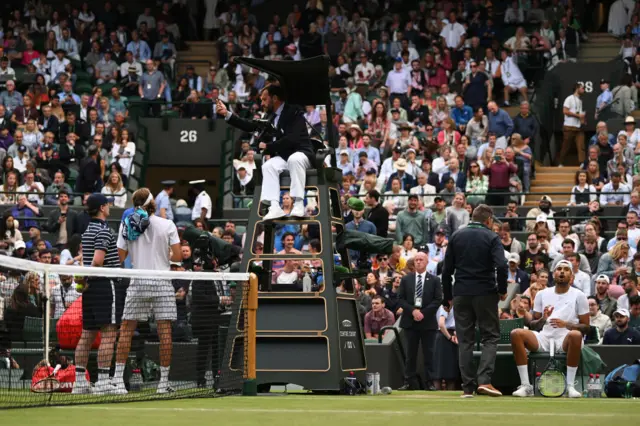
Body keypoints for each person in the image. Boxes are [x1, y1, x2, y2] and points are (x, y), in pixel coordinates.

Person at [112, 188, 182, 394]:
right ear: (153, 203)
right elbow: (177, 257)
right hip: (162, 283)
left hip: (138, 281)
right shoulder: (168, 224)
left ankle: (117, 381)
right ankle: (163, 383)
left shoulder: (126, 224)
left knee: (126, 330)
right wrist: (162, 253)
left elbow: (120, 256)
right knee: (165, 332)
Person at [216, 85, 314, 220]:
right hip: (285, 156)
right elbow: (251, 125)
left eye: (264, 99)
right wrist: (227, 114)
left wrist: (269, 146)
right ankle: (274, 207)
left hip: (302, 154)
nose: (261, 103)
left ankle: (298, 204)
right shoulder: (270, 115)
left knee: (294, 159)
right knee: (268, 166)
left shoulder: (294, 112)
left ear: (274, 98)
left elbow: (292, 139)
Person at [442, 204, 507, 398]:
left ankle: (467, 388)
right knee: (490, 337)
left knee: (465, 340)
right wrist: (502, 290)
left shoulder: (456, 236)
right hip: (485, 293)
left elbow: (446, 271)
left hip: (461, 293)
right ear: (488, 220)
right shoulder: (491, 237)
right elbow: (502, 266)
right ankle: (484, 381)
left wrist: (447, 298)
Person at [510, 260, 589, 398]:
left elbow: (586, 327)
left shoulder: (579, 295)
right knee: (516, 333)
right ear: (554, 273)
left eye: (566, 269)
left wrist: (566, 325)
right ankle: (526, 386)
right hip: (545, 337)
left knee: (576, 335)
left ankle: (570, 386)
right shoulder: (542, 294)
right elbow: (534, 325)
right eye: (559, 269)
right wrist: (544, 318)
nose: (562, 272)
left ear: (571, 276)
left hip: (566, 338)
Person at [72, 194, 123, 395]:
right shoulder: (103, 230)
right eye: (108, 205)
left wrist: (84, 280)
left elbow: (87, 262)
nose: (109, 207)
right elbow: (98, 261)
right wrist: (86, 278)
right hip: (105, 285)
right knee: (109, 333)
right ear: (102, 208)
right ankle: (102, 381)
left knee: (87, 334)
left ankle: (79, 382)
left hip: (91, 288)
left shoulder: (86, 231)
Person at [397, 252, 443, 391]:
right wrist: (413, 311)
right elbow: (400, 299)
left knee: (429, 354)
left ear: (427, 262)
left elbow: (438, 299)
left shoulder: (434, 280)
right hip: (410, 322)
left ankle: (430, 382)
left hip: (427, 322)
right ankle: (408, 381)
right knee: (410, 354)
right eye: (416, 260)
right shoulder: (406, 280)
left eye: (421, 260)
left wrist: (423, 313)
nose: (418, 262)